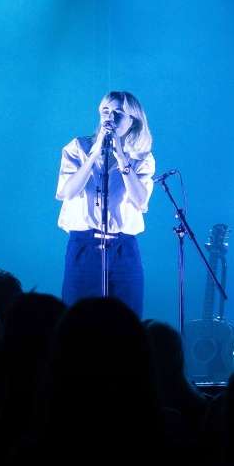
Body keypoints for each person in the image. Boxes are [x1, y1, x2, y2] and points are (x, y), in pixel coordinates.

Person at [54, 90, 156, 317]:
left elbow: (141, 200)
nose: (110, 118)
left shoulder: (141, 158)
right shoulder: (78, 148)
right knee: (78, 318)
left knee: (126, 320)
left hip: (123, 248)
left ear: (132, 121)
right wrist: (93, 155)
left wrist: (121, 156)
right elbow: (67, 192)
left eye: (118, 113)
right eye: (105, 111)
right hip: (84, 244)